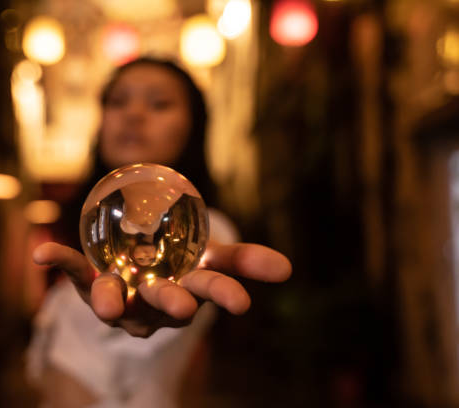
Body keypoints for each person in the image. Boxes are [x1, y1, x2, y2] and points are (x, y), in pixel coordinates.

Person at [27, 57, 292, 407]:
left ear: (193, 127)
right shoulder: (97, 224)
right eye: (118, 101)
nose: (133, 114)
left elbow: (159, 318)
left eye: (159, 103)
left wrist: (140, 318)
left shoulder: (205, 229)